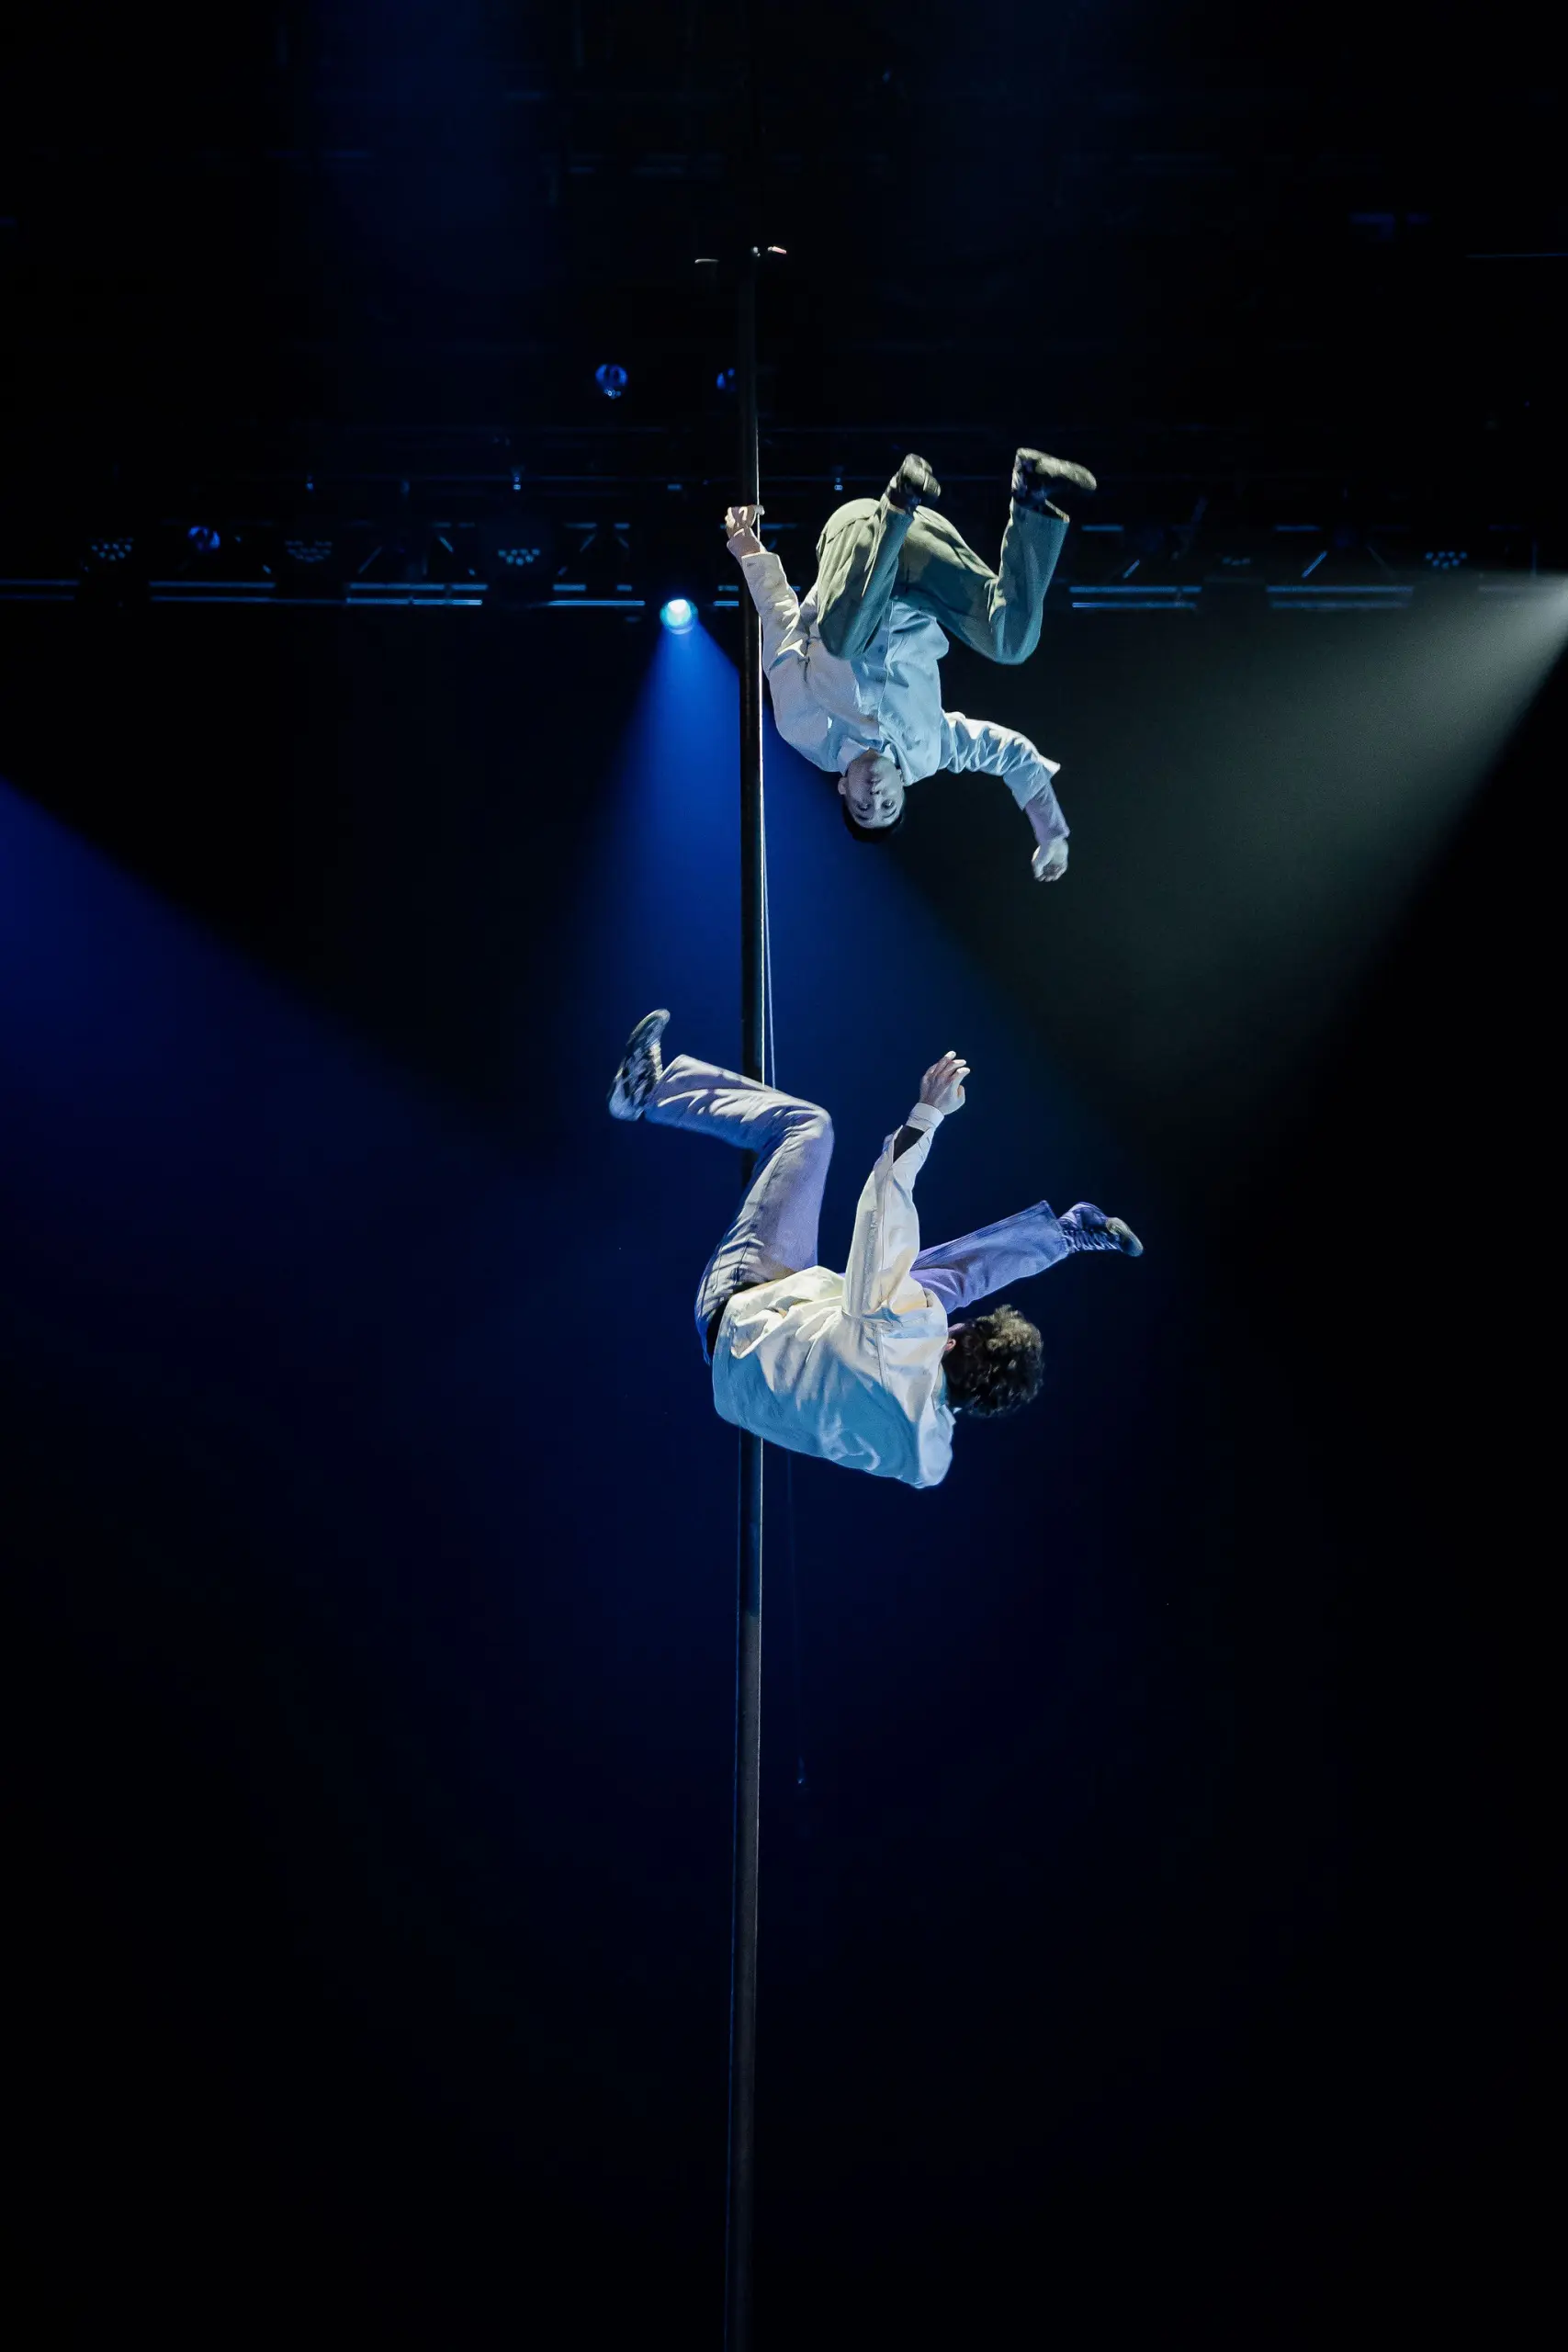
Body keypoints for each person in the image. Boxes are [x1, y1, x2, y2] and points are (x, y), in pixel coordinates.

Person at [608, 1009, 1142, 1490]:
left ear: (953, 1342)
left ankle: (649, 1090)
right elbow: (926, 1335)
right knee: (937, 1288)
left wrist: (927, 1114)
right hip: (756, 1380)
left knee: (808, 1129)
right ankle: (1065, 1235)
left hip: (741, 1303)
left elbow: (883, 1206)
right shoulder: (929, 1461)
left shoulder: (898, 1328)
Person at [722, 446, 1095, 883]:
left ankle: (897, 499)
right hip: (922, 561)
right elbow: (1009, 754)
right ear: (903, 791)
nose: (875, 795)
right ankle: (1031, 493)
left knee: (843, 642)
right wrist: (1051, 832)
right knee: (1012, 644)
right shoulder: (932, 749)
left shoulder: (802, 726)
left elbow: (779, 616)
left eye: (863, 805)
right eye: (888, 805)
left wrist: (745, 543)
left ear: (843, 788)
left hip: (856, 541)